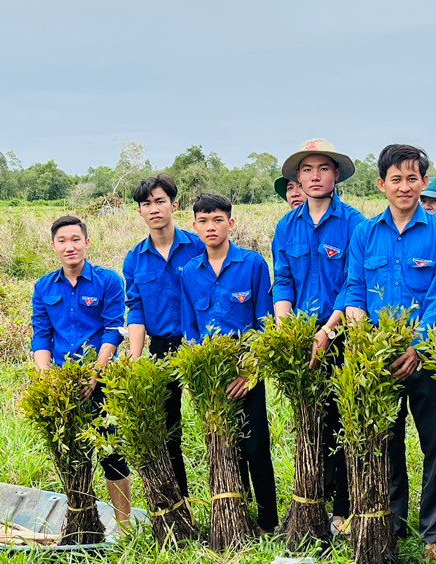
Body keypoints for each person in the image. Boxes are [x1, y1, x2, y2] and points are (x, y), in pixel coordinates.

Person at [332, 143, 436, 558]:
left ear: (425, 182)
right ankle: (393, 519)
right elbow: (354, 288)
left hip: (426, 356)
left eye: (413, 178)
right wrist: (360, 329)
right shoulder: (365, 233)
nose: (405, 187)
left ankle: (433, 530)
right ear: (382, 184)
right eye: (396, 179)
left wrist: (418, 348)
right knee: (385, 439)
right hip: (378, 356)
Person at [272, 138, 365, 533]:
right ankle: (314, 500)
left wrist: (329, 329)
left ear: (336, 175)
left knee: (343, 417)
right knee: (311, 419)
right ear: (297, 178)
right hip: (301, 333)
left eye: (323, 168)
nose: (315, 176)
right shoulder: (286, 226)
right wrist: (284, 326)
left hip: (341, 330)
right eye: (307, 170)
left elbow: (353, 283)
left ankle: (345, 506)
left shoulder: (355, 224)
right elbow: (283, 280)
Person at [179, 193, 278, 533]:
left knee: (255, 447)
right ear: (194, 226)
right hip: (211, 374)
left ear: (231, 223)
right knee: (225, 447)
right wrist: (203, 373)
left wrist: (252, 371)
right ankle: (238, 516)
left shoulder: (252, 265)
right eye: (204, 221)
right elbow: (189, 327)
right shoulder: (189, 272)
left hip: (246, 371)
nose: (211, 227)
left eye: (218, 220)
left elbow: (264, 322)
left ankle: (268, 521)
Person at [31, 215, 132, 525]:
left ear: (87, 243)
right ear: (53, 246)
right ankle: (84, 522)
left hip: (100, 381)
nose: (69, 246)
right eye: (62, 241)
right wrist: (46, 374)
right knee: (74, 456)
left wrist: (96, 372)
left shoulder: (108, 280)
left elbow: (113, 329)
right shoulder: (44, 286)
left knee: (111, 455)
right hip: (62, 383)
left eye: (75, 239)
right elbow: (41, 333)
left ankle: (124, 528)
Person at [123, 173, 205, 495]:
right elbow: (137, 309)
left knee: (217, 420)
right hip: (161, 346)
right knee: (168, 425)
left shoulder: (197, 246)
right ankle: (179, 500)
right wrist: (134, 355)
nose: (154, 209)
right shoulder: (135, 259)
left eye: (160, 201)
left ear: (175, 204)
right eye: (147, 204)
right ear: (140, 212)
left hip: (200, 343)